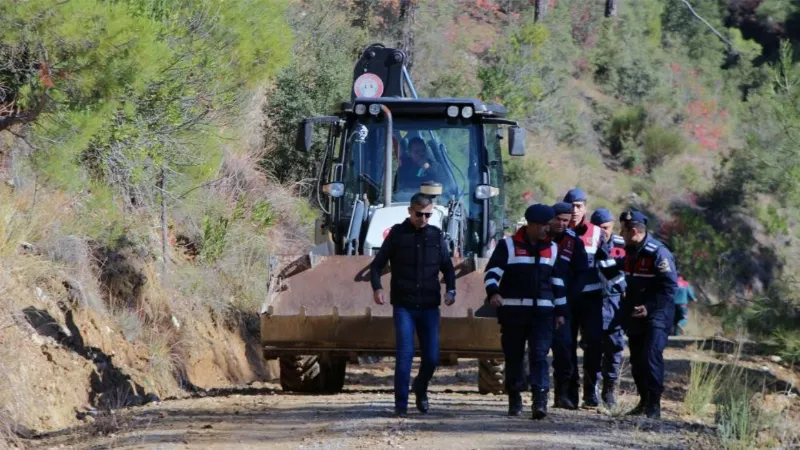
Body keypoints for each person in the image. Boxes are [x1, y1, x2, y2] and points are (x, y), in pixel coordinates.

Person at [369, 193, 457, 417]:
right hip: (404, 306)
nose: (424, 219)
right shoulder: (397, 234)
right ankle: (401, 406)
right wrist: (377, 288)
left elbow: (447, 267)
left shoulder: (437, 236)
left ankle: (420, 387)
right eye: (419, 214)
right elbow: (377, 265)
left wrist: (451, 290)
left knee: (432, 358)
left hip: (429, 306)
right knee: (404, 355)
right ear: (410, 211)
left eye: (428, 215)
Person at [483, 204, 568, 420]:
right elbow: (492, 272)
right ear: (530, 225)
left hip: (543, 313)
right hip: (513, 313)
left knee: (539, 355)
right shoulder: (508, 245)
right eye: (542, 226)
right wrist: (493, 292)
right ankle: (515, 398)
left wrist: (560, 311)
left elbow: (558, 282)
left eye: (548, 226)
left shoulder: (553, 248)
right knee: (514, 357)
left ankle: (540, 401)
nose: (546, 230)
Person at [619, 210, 678, 419]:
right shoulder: (629, 251)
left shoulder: (659, 253)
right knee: (637, 360)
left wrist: (650, 307)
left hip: (657, 314)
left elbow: (670, 288)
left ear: (633, 231)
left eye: (623, 230)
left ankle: (654, 405)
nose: (621, 234)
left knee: (651, 356)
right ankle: (643, 402)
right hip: (635, 314)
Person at [562, 188, 615, 408]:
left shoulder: (596, 233)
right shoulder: (557, 231)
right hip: (564, 300)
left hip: (592, 300)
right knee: (565, 346)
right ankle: (568, 394)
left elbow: (607, 265)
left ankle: (590, 392)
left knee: (593, 345)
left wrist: (621, 291)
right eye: (571, 206)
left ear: (585, 208)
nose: (574, 211)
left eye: (579, 206)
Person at [548, 202, 587, 410]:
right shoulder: (539, 237)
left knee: (564, 350)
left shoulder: (574, 242)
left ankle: (562, 395)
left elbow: (582, 272)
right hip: (537, 303)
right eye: (559, 220)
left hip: (564, 305)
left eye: (566, 221)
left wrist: (570, 298)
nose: (563, 224)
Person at [589, 208, 628, 408]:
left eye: (606, 227)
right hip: (593, 302)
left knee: (614, 347)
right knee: (592, 348)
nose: (603, 231)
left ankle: (609, 389)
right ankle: (592, 390)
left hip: (616, 303)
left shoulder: (623, 244)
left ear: (612, 226)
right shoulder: (587, 243)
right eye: (598, 228)